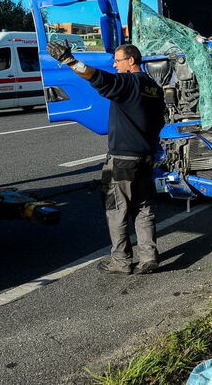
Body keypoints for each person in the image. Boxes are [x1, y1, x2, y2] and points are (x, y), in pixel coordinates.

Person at [47, 41, 164, 275]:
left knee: (117, 209)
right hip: (145, 156)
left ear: (131, 61)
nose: (115, 65)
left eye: (118, 61)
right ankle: (148, 257)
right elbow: (160, 121)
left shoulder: (128, 82)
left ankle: (121, 261)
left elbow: (97, 77)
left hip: (122, 159)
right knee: (143, 207)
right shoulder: (153, 87)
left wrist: (69, 61)